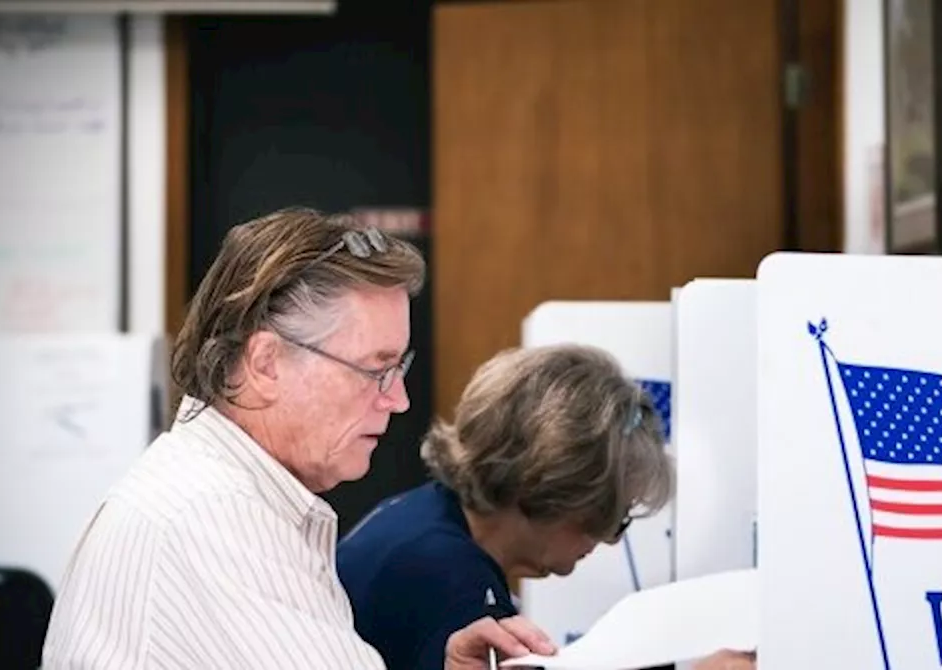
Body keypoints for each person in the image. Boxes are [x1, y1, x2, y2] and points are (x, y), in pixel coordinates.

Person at [40, 207, 555, 670]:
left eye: (399, 368)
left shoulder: (217, 489)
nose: (398, 400)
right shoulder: (214, 516)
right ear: (265, 365)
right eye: (374, 370)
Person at [336, 344, 755, 670]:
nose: (607, 542)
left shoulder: (425, 523)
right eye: (611, 516)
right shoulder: (451, 584)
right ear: (556, 487)